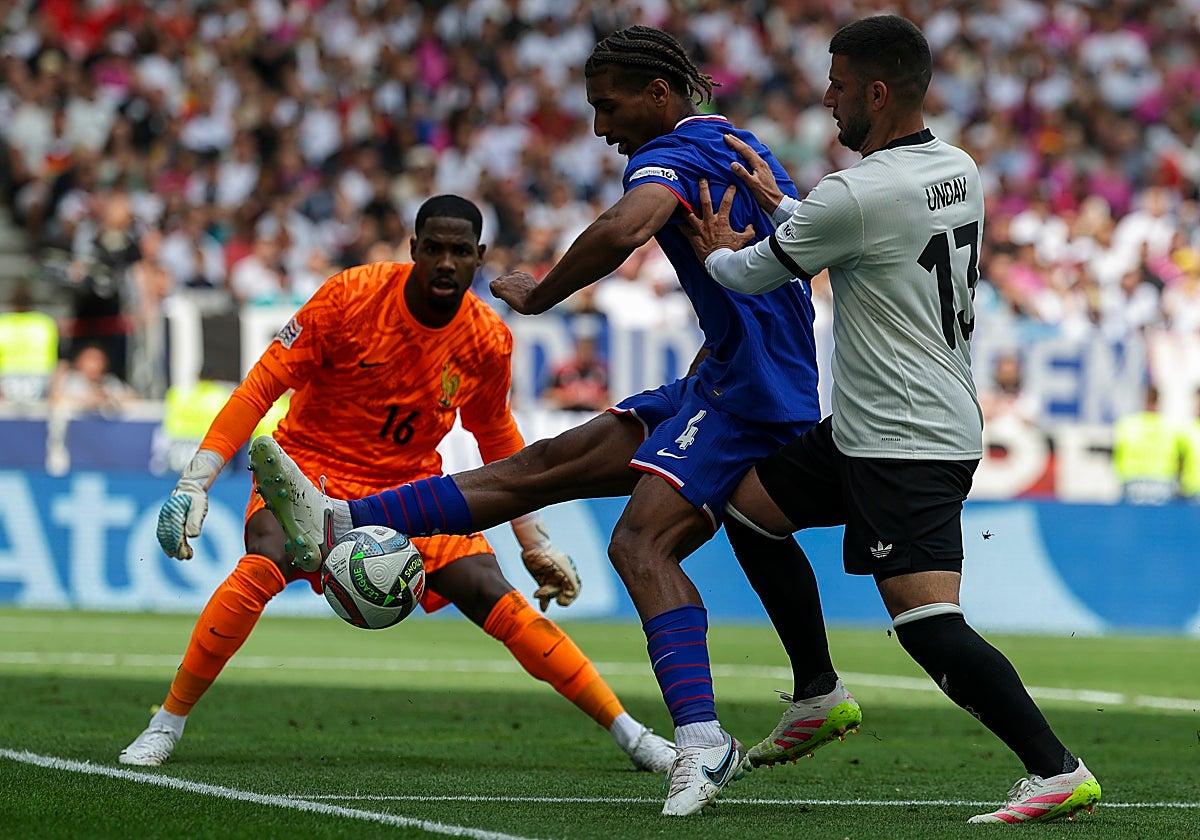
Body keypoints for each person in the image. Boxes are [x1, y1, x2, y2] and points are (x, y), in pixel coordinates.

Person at [249, 26, 861, 817]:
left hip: (751, 395)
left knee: (640, 543)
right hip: (722, 377)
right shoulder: (725, 137)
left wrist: (541, 294)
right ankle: (337, 521)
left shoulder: (671, 156)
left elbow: (625, 227)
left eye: (609, 107)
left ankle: (703, 742)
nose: (601, 127)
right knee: (543, 468)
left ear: (659, 95)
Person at [681, 14, 1101, 825]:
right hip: (875, 425)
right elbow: (858, 227)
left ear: (877, 91)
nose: (827, 98)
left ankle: (1057, 769)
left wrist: (709, 249)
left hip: (905, 438)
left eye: (838, 86)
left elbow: (747, 274)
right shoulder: (958, 167)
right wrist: (784, 203)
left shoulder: (856, 192)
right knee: (751, 510)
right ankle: (817, 693)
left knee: (927, 625)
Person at [120, 195, 676, 776]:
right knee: (265, 559)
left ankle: (631, 734)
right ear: (413, 249)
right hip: (310, 469)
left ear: (480, 257)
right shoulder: (349, 298)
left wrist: (532, 541)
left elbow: (497, 438)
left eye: (460, 252)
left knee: (491, 589)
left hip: (408, 489)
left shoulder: (486, 338)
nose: (445, 262)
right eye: (433, 248)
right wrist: (197, 478)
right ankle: (167, 722)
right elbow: (261, 386)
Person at [1111, 384, 1181, 504]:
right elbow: (1180, 459)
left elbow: (1116, 454)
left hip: (1133, 483)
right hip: (1163, 483)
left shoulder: (1127, 425)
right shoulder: (1171, 428)